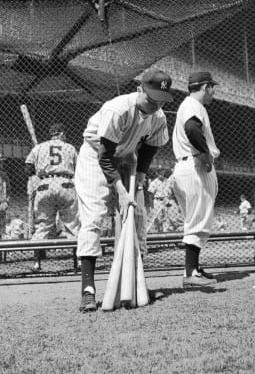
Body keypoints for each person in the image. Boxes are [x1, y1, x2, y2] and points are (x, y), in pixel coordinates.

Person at [75, 69, 173, 312]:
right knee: (95, 217)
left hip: (128, 158)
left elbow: (150, 148)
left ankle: (134, 282)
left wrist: (139, 178)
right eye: (150, 99)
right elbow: (105, 156)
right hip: (94, 157)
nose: (155, 105)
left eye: (160, 100)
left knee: (137, 217)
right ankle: (88, 289)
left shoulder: (158, 116)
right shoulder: (117, 109)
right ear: (139, 89)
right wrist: (120, 190)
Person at [171, 71, 220, 288]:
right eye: (212, 88)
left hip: (187, 165)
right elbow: (192, 129)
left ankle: (194, 269)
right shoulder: (193, 104)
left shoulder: (190, 105)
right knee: (198, 221)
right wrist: (205, 153)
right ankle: (190, 273)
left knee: (196, 218)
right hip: (195, 165)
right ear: (206, 86)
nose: (213, 92)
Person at [25, 123, 80, 271]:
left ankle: (36, 263)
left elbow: (28, 168)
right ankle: (78, 263)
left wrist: (39, 173)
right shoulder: (70, 147)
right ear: (61, 133)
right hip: (66, 184)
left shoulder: (39, 147)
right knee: (72, 225)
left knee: (42, 226)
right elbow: (79, 168)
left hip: (45, 185)